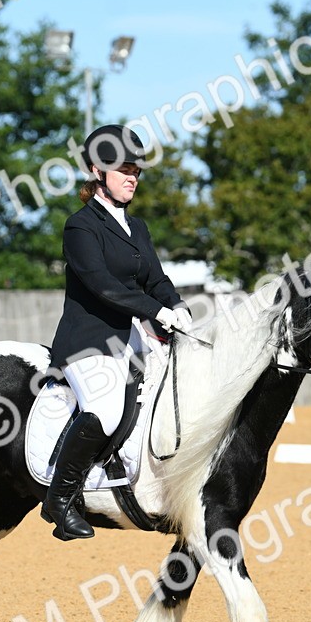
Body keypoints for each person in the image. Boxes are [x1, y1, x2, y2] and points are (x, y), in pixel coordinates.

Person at [42, 124, 192, 541]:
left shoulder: (137, 228)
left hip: (132, 340)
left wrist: (177, 306)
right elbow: (104, 286)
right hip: (87, 343)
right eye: (123, 170)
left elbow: (155, 280)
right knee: (106, 410)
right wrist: (158, 312)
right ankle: (60, 498)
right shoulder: (80, 226)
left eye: (136, 171)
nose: (132, 178)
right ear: (97, 171)